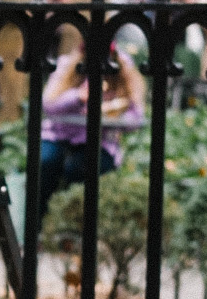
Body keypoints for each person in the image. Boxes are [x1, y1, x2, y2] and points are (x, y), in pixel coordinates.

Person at [38, 32, 145, 216]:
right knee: (46, 163)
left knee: (80, 170)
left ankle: (74, 221)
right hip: (59, 134)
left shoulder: (121, 68)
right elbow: (49, 105)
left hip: (99, 139)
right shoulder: (67, 65)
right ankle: (38, 223)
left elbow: (136, 116)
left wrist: (112, 116)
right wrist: (78, 98)